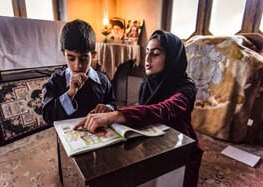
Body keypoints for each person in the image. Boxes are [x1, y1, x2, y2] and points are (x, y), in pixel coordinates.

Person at [74, 30, 203, 187]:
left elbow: (165, 109)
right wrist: (111, 112)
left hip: (181, 150)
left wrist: (117, 115)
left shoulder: (186, 87)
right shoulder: (147, 83)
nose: (147, 59)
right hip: (155, 144)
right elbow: (145, 114)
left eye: (155, 54)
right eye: (147, 52)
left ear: (171, 58)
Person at [42, 19, 117, 126]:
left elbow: (112, 104)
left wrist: (108, 108)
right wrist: (70, 93)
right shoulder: (55, 81)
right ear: (64, 54)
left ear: (93, 55)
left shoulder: (103, 81)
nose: (78, 66)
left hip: (98, 136)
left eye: (84, 59)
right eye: (71, 59)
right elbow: (48, 117)